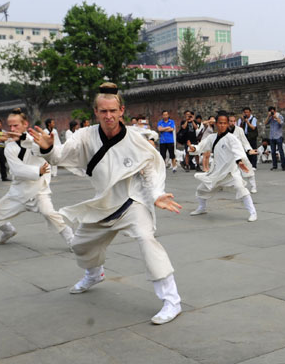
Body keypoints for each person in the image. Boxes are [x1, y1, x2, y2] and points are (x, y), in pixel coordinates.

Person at [28, 83, 185, 325]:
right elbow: (60, 157)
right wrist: (47, 149)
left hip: (132, 203)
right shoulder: (84, 136)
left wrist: (156, 194)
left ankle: (172, 301)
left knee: (146, 240)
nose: (109, 116)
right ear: (96, 112)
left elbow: (150, 170)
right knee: (80, 245)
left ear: (122, 110)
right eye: (103, 111)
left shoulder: (136, 139)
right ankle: (94, 274)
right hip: (102, 205)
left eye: (113, 110)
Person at [0, 109, 74, 246]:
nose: (12, 129)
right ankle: (8, 231)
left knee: (49, 213)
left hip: (38, 190)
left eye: (16, 125)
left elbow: (39, 148)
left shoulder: (35, 140)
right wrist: (37, 170)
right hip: (18, 191)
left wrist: (47, 148)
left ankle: (71, 239)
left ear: (25, 124)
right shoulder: (9, 147)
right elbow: (16, 169)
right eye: (10, 126)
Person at [191, 111, 257, 221]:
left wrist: (239, 161)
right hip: (217, 172)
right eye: (220, 123)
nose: (222, 125)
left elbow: (238, 150)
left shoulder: (231, 138)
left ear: (227, 124)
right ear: (216, 123)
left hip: (230, 172)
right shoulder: (212, 137)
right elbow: (201, 146)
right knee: (201, 189)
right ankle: (202, 207)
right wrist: (194, 148)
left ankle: (253, 213)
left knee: (241, 188)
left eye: (224, 123)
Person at [229, 114, 259, 194]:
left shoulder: (239, 130)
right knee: (227, 171)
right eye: (230, 121)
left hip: (239, 152)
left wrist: (249, 150)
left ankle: (253, 186)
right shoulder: (224, 132)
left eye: (234, 121)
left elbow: (244, 141)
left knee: (247, 169)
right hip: (229, 154)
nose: (232, 123)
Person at [266, 106, 285, 171]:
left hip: (278, 136)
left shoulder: (279, 116)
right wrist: (268, 116)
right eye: (270, 111)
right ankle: (274, 165)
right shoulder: (270, 117)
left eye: (273, 111)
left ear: (275, 111)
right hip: (272, 136)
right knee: (273, 152)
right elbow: (265, 123)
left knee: (281, 151)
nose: (272, 112)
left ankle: (283, 166)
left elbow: (281, 123)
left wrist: (276, 117)